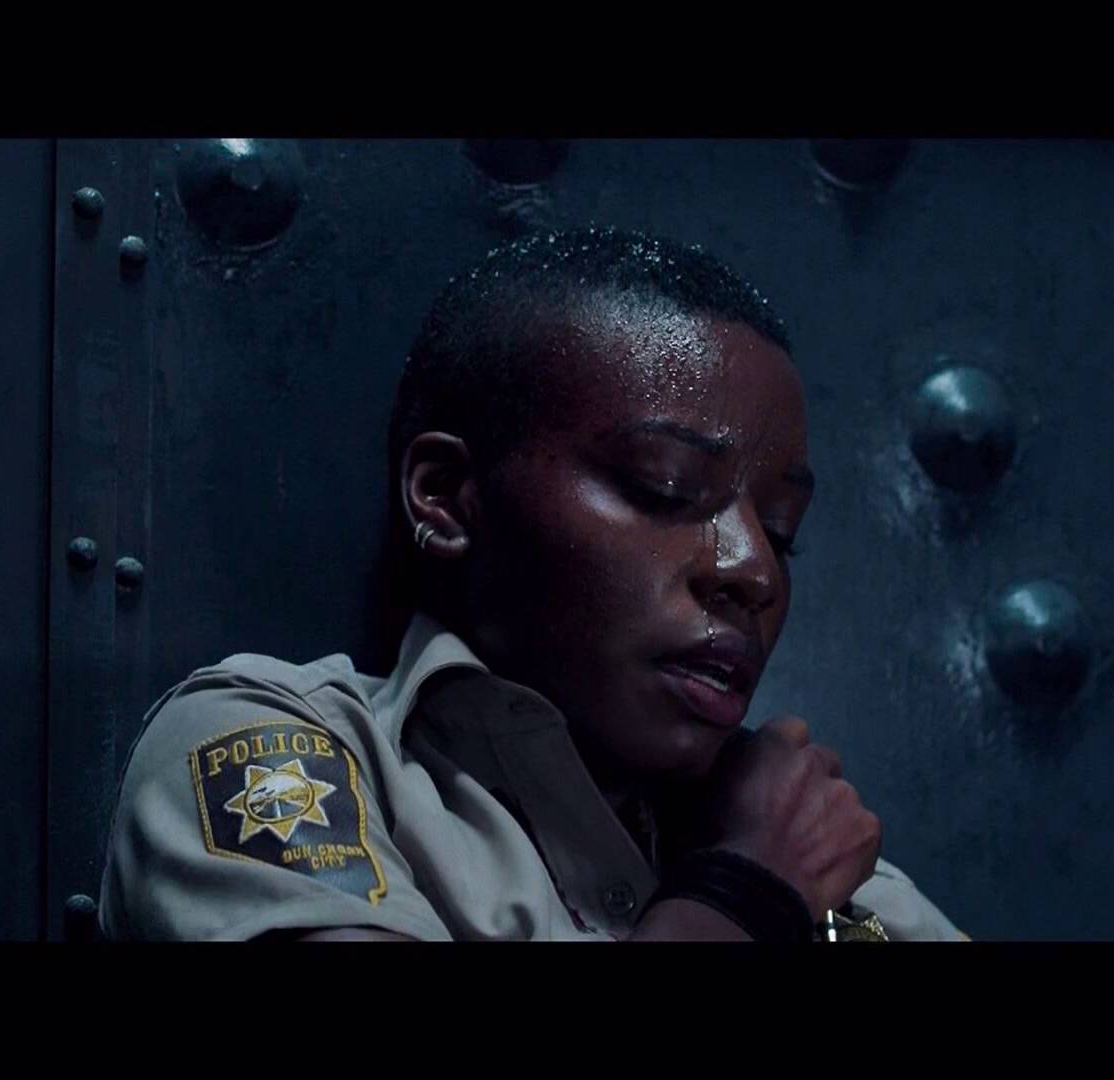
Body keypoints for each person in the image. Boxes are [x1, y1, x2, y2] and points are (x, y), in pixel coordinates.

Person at [98, 226, 967, 942]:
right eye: (665, 489)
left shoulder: (833, 871)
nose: (753, 569)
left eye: (781, 532)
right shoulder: (284, 751)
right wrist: (738, 898)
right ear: (447, 496)